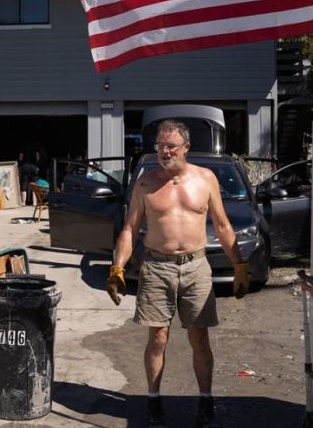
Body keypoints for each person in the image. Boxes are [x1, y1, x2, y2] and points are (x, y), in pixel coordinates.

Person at [106, 119, 249, 428]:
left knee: (199, 337)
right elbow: (130, 229)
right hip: (157, 268)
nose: (164, 151)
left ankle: (206, 400)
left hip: (196, 267)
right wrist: (117, 266)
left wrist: (239, 264)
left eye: (170, 146)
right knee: (157, 337)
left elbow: (223, 226)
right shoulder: (146, 182)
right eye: (160, 146)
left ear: (186, 147)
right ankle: (154, 400)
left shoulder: (206, 179)